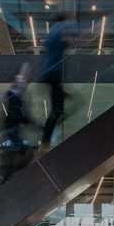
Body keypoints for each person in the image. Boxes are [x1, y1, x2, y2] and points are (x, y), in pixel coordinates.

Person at [38, 13, 76, 152]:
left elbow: (47, 49)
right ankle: (46, 140)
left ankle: (46, 139)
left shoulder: (51, 33)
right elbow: (72, 33)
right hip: (54, 74)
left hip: (49, 74)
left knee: (58, 107)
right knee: (57, 109)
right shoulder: (60, 29)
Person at [0, 63, 34, 183]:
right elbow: (13, 115)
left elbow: (23, 116)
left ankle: (8, 180)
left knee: (10, 163)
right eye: (21, 77)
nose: (24, 80)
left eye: (25, 79)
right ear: (15, 79)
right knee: (27, 155)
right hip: (11, 133)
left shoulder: (19, 96)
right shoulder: (10, 95)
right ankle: (13, 177)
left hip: (14, 133)